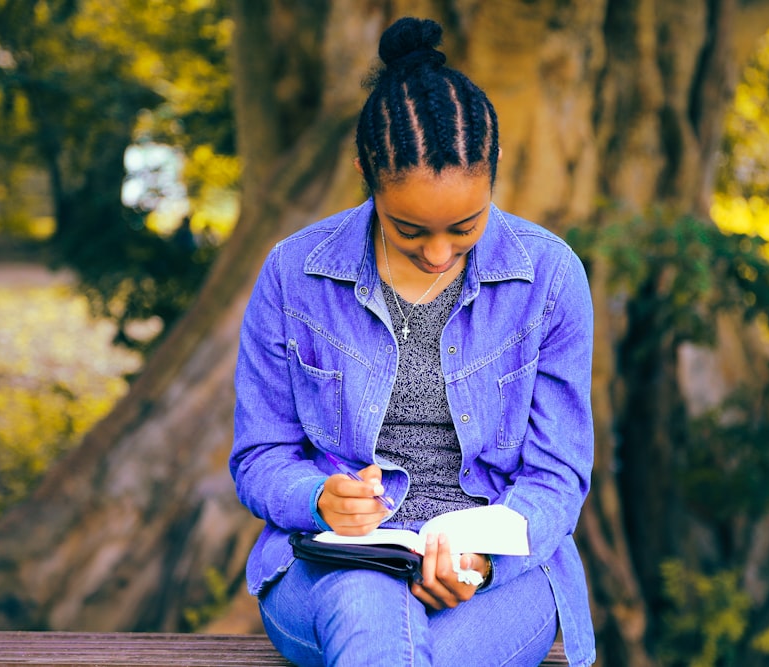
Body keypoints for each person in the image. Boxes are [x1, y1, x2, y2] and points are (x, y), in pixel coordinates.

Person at [230, 16, 596, 667]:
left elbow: (558, 473)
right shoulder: (294, 274)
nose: (437, 253)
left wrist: (482, 556)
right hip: (331, 570)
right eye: (409, 230)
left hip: (499, 575)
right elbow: (260, 456)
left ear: (495, 168)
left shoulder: (549, 276)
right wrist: (319, 497)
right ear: (366, 170)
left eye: (464, 226)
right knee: (370, 613)